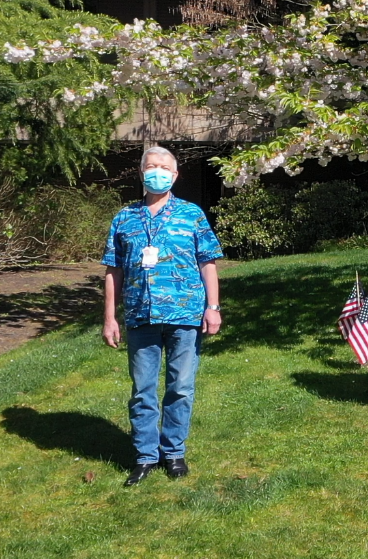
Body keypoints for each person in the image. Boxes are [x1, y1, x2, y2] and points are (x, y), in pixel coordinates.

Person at [101, 146, 224, 486]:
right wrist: (110, 317)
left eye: (164, 167)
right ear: (141, 173)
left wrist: (213, 308)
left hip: (185, 314)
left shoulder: (192, 214)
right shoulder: (124, 218)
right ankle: (144, 456)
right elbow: (113, 270)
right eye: (150, 166)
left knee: (181, 387)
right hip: (141, 316)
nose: (157, 171)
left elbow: (208, 263)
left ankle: (173, 453)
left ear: (175, 175)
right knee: (142, 390)